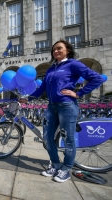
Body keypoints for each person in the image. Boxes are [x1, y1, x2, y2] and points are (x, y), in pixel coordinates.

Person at [22, 39, 103, 183]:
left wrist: (79, 93)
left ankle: (66, 168)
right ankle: (55, 164)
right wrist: (28, 98)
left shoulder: (73, 64)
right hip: (51, 107)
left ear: (68, 50)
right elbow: (42, 88)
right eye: (54, 50)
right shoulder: (51, 68)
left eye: (59, 48)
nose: (56, 51)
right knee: (47, 138)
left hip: (67, 106)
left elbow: (96, 78)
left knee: (68, 139)